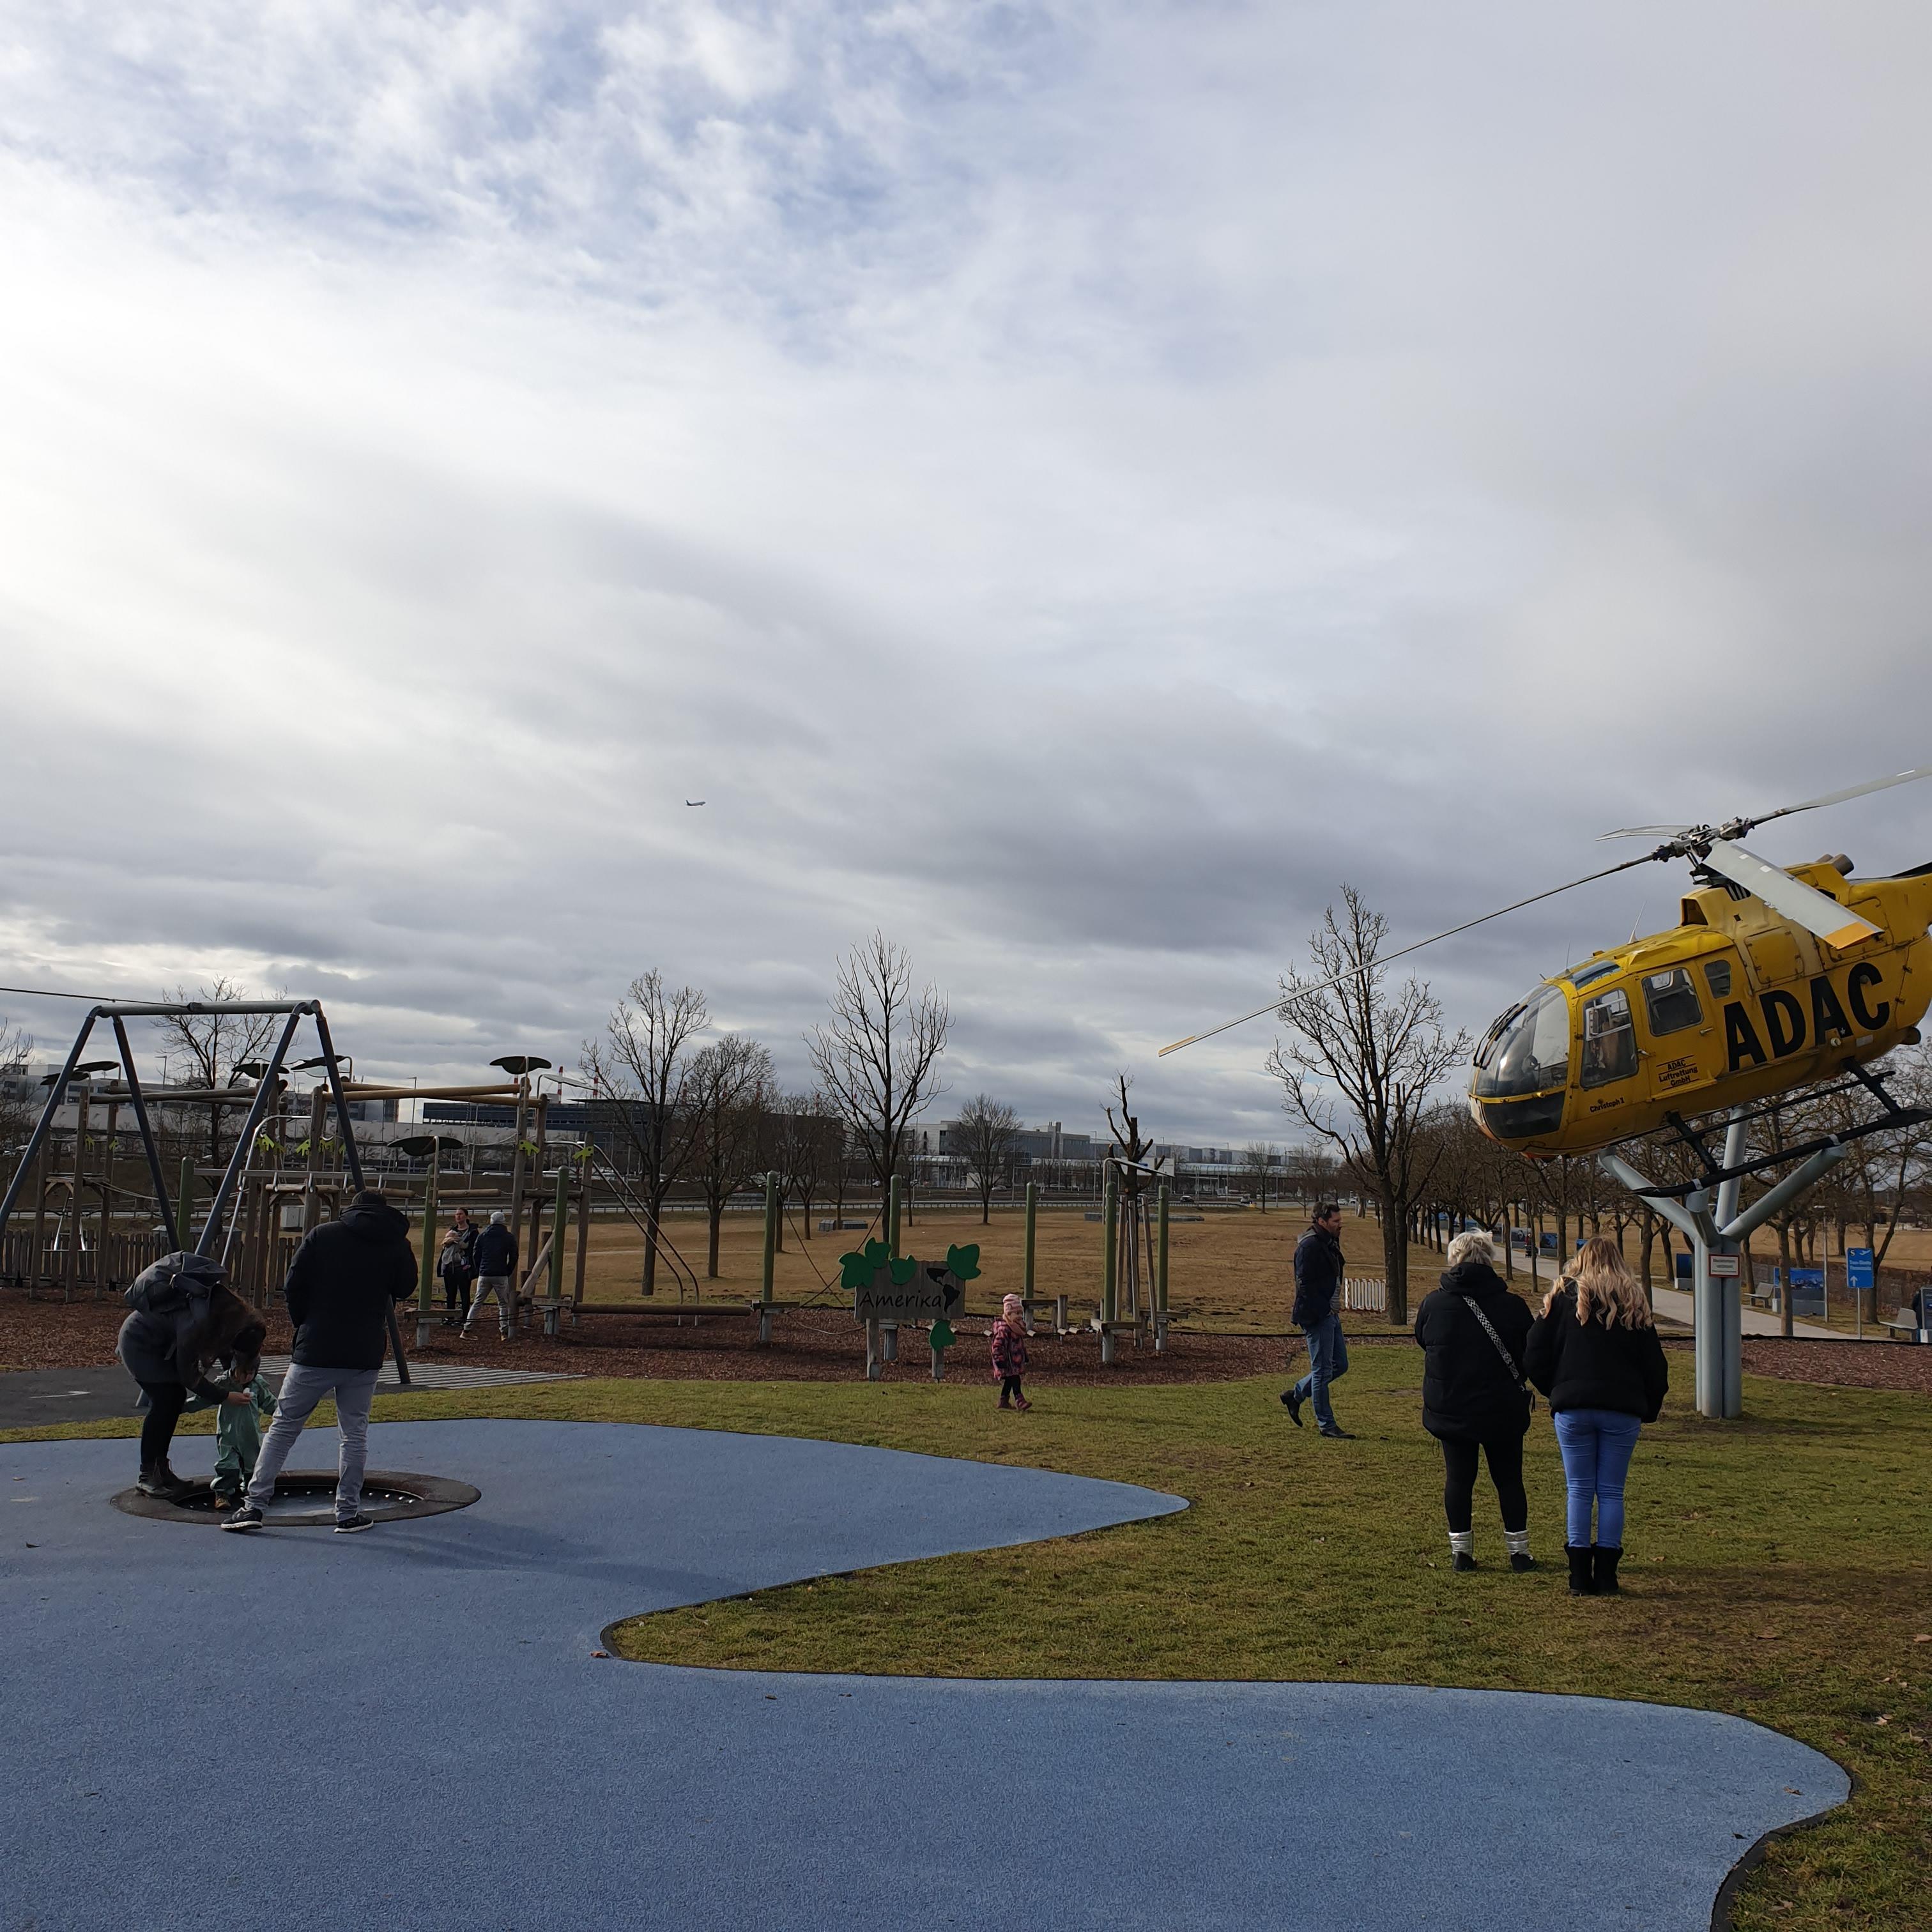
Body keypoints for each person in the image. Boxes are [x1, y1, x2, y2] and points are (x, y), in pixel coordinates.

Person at [222, 1189, 416, 1535]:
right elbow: (405, 1287)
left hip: (316, 1347)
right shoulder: (394, 1241)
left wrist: (305, 1325)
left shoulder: (323, 1235)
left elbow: (293, 1285)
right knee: (354, 1433)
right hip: (364, 1351)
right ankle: (348, 1512)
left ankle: (254, 1506)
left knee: (284, 1426)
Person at [1524, 1236, 1669, 1596]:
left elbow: (1534, 1355)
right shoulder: (1634, 1301)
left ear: (1579, 1260)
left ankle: (1578, 1576)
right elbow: (1656, 1367)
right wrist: (1647, 1407)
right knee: (1611, 1492)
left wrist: (1555, 1390)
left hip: (1573, 1406)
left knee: (1578, 1489)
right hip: (1622, 1408)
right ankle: (1606, 1575)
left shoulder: (1562, 1298)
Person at [1413, 1230, 1534, 1572]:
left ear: (1454, 1260)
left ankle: (1461, 1552)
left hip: (1452, 1406)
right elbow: (1529, 1351)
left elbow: (1423, 1340)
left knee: (1459, 1478)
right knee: (1509, 1479)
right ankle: (1519, 1552)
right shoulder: (1513, 1306)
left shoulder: (1433, 1304)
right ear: (1489, 1259)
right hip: (1502, 1407)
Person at [116, 1252, 260, 1499]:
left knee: (171, 1400)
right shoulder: (196, 1323)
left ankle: (160, 1470)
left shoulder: (231, 1315)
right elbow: (188, 1375)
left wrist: (243, 1374)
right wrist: (224, 1395)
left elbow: (231, 1351)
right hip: (140, 1345)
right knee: (166, 1400)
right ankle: (147, 1475)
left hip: (160, 1345)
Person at [1282, 1202, 1352, 1438]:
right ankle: (1327, 1425)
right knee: (1321, 1370)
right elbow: (1304, 1285)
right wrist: (1323, 1310)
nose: (1340, 1224)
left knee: (1340, 1365)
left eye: (1340, 1220)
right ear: (1321, 1221)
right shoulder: (1310, 1246)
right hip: (1317, 1315)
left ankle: (1297, 1394)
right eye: (1335, 1221)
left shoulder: (1328, 1241)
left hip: (1330, 1314)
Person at [184, 1354, 277, 1510]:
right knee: (228, 1466)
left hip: (251, 1435)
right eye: (243, 1372)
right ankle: (222, 1493)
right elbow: (204, 1399)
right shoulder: (223, 1383)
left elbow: (269, 1402)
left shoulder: (257, 1384)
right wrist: (182, 1407)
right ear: (234, 1369)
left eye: (251, 1373)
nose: (246, 1377)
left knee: (253, 1465)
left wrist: (283, 1413)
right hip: (228, 1435)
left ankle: (252, 1492)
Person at [462, 1209, 519, 1340]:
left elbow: (476, 1254)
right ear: (503, 1222)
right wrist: (508, 1270)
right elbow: (514, 1255)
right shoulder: (508, 1237)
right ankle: (504, 1332)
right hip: (500, 1274)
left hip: (485, 1273)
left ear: (491, 1221)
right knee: (503, 1304)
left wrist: (479, 1269)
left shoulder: (483, 1235)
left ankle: (467, 1329)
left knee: (477, 1302)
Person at [438, 1207, 479, 1326]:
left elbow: (473, 1249)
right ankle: (450, 1317)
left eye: (460, 1214)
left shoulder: (473, 1232)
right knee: (450, 1293)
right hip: (450, 1266)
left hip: (464, 1267)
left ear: (466, 1216)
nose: (458, 1216)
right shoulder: (452, 1231)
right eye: (456, 1215)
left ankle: (464, 1318)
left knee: (464, 1293)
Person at [992, 1292, 1031, 1411]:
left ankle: (1003, 1401)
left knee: (1010, 1381)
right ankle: (1020, 1401)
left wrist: (1024, 1354)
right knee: (1015, 1379)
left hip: (1015, 1361)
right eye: (1017, 1313)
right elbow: (997, 1346)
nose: (1020, 1316)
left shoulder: (1017, 1328)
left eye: (1021, 1313)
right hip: (1006, 1361)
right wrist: (999, 1359)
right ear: (1008, 1314)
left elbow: (1019, 1344)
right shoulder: (1004, 1329)